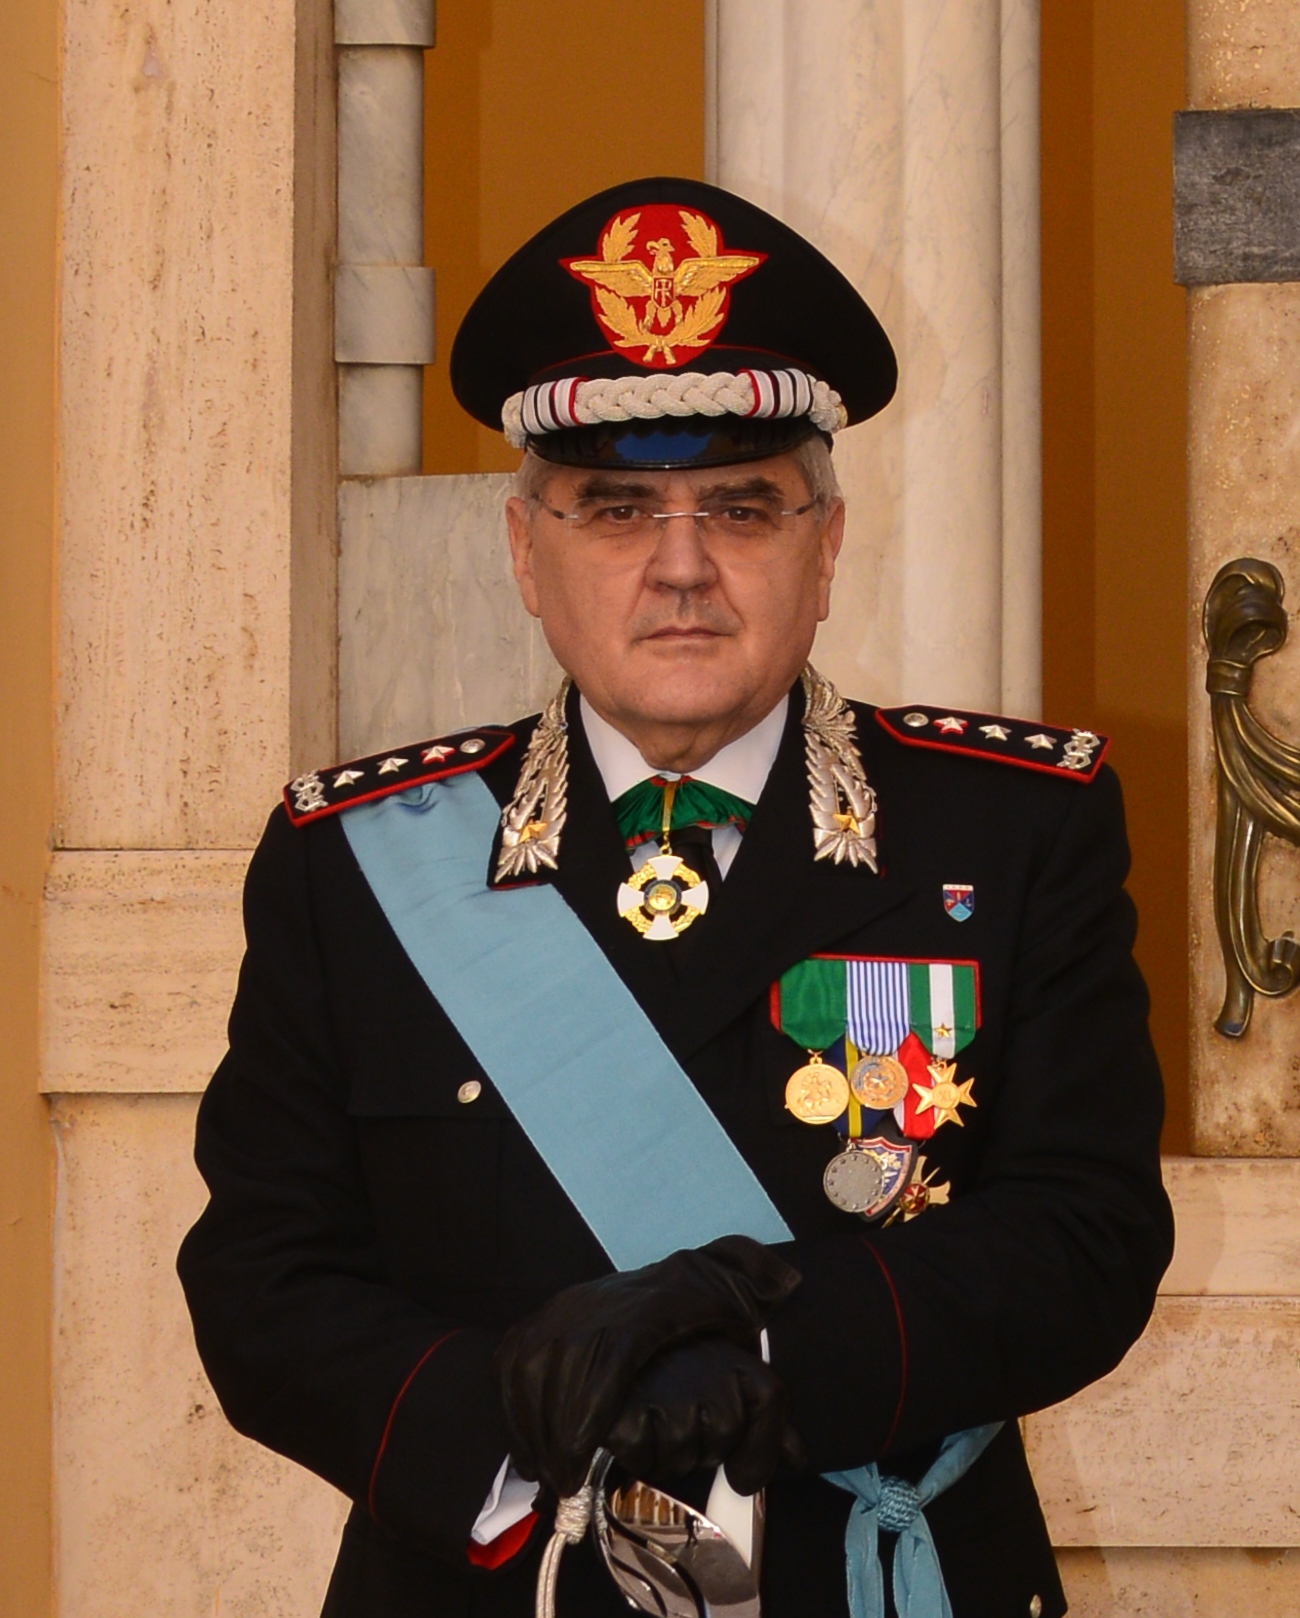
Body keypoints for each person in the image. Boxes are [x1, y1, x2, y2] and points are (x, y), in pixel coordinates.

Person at [178, 178, 1173, 1618]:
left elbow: (1085, 1235)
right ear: (525, 551)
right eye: (617, 510)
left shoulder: (1014, 828)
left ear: (827, 547)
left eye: (744, 508)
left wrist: (770, 1351)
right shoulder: (357, 861)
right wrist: (527, 1414)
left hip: (867, 1576)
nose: (683, 568)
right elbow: (262, 1280)